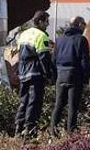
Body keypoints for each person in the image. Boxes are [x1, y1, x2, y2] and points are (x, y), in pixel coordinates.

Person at [15, 10, 55, 138]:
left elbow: (19, 54)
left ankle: (18, 128)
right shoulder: (42, 36)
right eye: (46, 21)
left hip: (23, 73)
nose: (48, 24)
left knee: (23, 101)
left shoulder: (23, 34)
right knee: (34, 102)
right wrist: (48, 75)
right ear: (40, 22)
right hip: (36, 74)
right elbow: (44, 58)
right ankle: (30, 129)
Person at [51, 16, 90, 134]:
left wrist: (55, 76)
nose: (85, 27)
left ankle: (53, 130)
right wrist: (86, 78)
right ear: (79, 24)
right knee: (73, 106)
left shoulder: (59, 39)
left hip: (60, 74)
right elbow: (85, 61)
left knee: (59, 104)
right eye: (84, 24)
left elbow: (53, 59)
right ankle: (70, 132)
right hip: (75, 75)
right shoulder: (81, 39)